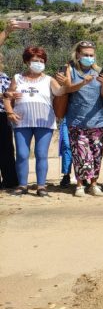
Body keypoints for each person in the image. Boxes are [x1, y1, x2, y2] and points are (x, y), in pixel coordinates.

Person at [5, 46, 64, 197]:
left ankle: (41, 187)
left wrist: (66, 82)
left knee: (41, 154)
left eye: (41, 61)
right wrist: (10, 112)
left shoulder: (49, 79)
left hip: (44, 122)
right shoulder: (17, 78)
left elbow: (60, 92)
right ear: (27, 61)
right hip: (21, 122)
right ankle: (22, 185)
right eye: (35, 60)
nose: (38, 63)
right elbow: (8, 96)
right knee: (23, 154)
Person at [57, 40, 103, 197]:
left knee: (96, 154)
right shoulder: (70, 70)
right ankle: (80, 185)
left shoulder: (99, 71)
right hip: (77, 120)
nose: (89, 57)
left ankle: (94, 184)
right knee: (80, 154)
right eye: (85, 55)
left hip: (99, 120)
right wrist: (82, 83)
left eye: (91, 55)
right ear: (78, 54)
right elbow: (67, 88)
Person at [0, 20, 22, 190]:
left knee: (7, 148)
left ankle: (10, 181)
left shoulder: (5, 76)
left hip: (2, 115)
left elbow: (9, 95)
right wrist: (6, 32)